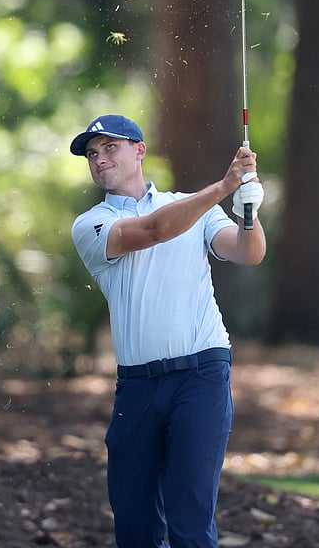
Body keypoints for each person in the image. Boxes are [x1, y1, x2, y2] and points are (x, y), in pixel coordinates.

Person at [70, 114, 266, 548]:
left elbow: (246, 253)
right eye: (92, 153)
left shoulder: (195, 206)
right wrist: (221, 188)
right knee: (136, 527)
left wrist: (248, 209)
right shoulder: (91, 224)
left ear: (139, 150)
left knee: (190, 520)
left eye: (110, 147)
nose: (99, 159)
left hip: (201, 376)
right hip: (137, 389)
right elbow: (154, 229)